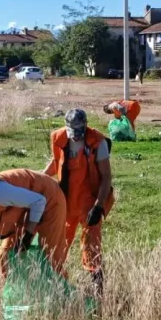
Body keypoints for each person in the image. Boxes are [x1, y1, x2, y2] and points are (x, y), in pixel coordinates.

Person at [43, 110, 114, 295]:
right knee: (58, 243)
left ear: (85, 126)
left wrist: (98, 206)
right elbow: (56, 163)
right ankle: (54, 285)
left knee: (92, 245)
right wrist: (39, 179)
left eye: (79, 131)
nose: (75, 136)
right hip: (65, 201)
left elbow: (106, 177)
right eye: (72, 131)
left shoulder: (97, 142)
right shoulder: (58, 138)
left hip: (89, 202)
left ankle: (98, 290)